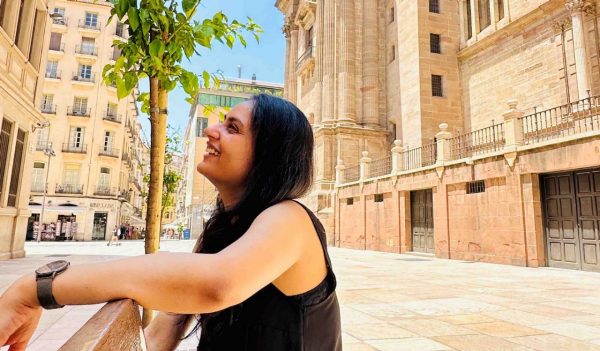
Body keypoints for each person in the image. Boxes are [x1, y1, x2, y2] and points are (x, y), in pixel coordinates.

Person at [0, 94, 342, 351]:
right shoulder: (224, 231)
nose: (211, 130)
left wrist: (36, 289)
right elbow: (169, 324)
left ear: (270, 155)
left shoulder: (290, 219)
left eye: (232, 127)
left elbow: (215, 285)